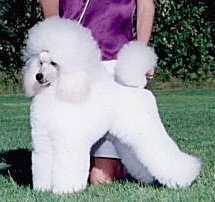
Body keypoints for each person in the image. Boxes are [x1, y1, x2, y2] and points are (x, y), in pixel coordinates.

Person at [39, 0, 155, 185]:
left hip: (116, 67)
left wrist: (141, 54)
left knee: (100, 179)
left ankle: (124, 160)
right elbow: (50, 12)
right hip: (73, 68)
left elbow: (146, 5)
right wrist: (56, 53)